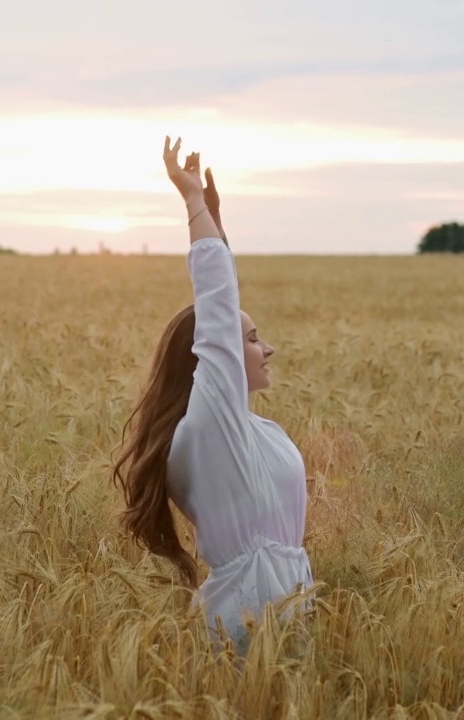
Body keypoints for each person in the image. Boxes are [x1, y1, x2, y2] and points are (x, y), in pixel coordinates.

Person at [111, 137, 314, 654]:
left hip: (293, 613)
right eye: (250, 340)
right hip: (243, 627)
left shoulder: (249, 431)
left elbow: (226, 308)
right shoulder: (205, 434)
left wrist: (218, 227)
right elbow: (219, 305)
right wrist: (194, 206)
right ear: (209, 359)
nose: (267, 348)